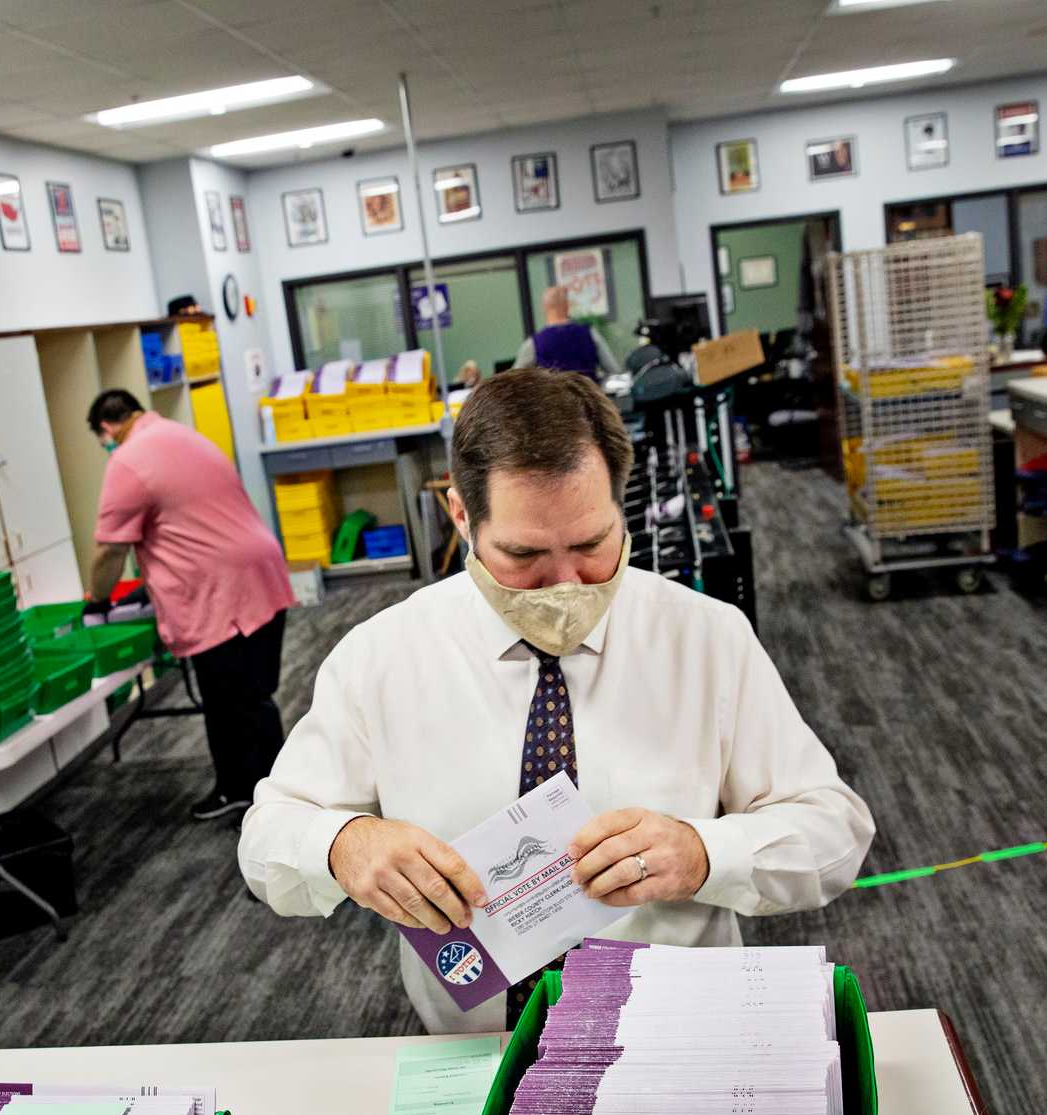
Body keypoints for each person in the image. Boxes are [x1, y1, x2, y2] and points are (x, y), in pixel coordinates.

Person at [238, 369, 874, 1033]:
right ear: (461, 515)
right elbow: (266, 840)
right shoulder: (382, 658)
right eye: (524, 555)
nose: (565, 584)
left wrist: (704, 853)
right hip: (479, 1050)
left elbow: (836, 829)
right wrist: (344, 842)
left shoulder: (706, 638)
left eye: (593, 544)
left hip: (675, 1040)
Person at [87, 388, 295, 821]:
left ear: (107, 428)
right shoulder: (185, 436)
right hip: (259, 572)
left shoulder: (126, 460)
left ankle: (262, 800)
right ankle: (260, 790)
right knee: (244, 696)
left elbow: (109, 551)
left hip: (219, 592)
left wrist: (98, 600)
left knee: (236, 700)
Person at [513, 286, 623, 381]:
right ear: (567, 306)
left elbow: (513, 380)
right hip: (588, 402)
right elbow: (613, 369)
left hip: (553, 404)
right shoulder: (589, 333)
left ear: (545, 308)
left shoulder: (534, 343)